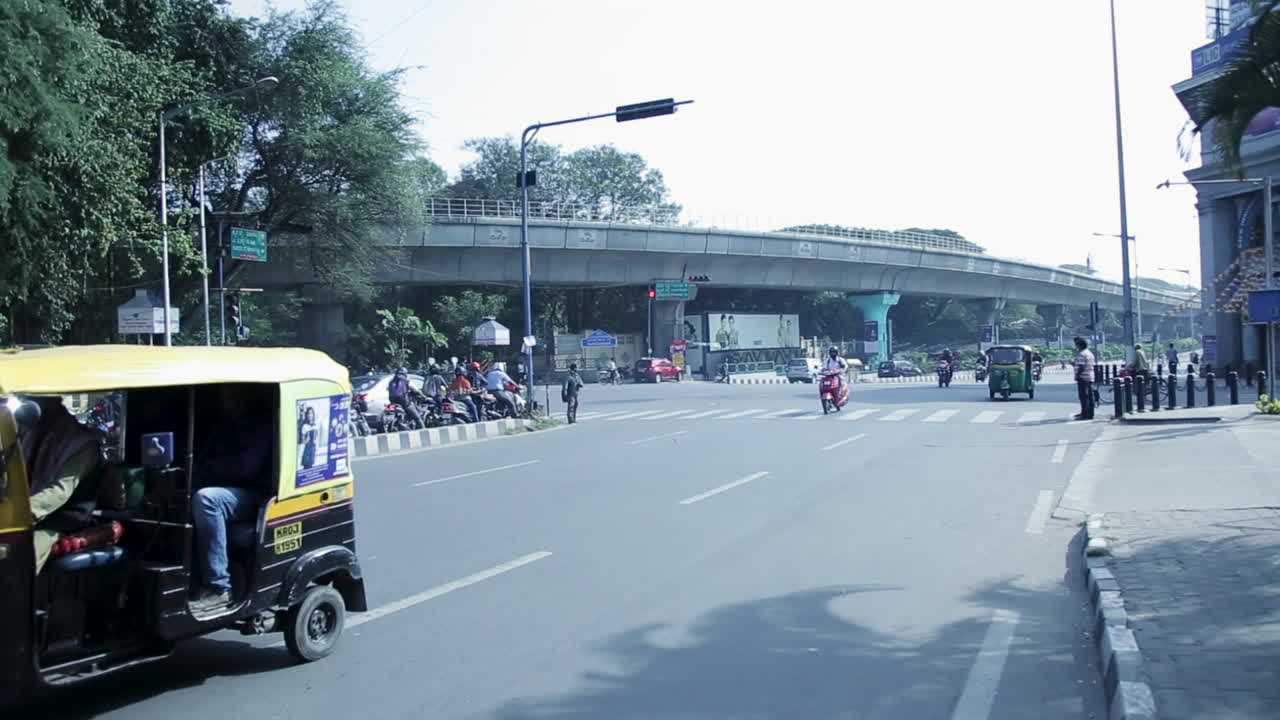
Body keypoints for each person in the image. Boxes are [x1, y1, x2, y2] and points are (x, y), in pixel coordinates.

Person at [190, 385, 272, 613]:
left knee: (207, 499)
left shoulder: (259, 424)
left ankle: (219, 588)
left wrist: (201, 473)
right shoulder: (223, 424)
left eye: (232, 394)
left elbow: (246, 468)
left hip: (254, 494)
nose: (227, 400)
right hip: (229, 488)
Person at [20, 396, 103, 574]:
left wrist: (19, 514)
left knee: (19, 556)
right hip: (24, 517)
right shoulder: (28, 433)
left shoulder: (82, 443)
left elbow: (58, 492)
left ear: (53, 401)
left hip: (57, 523)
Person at [1073, 337, 1096, 420]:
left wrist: (1077, 375)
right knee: (1089, 396)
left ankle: (1085, 413)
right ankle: (1089, 413)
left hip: (1083, 377)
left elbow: (1081, 366)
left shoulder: (1082, 354)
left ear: (1079, 345)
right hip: (1089, 376)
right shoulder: (1089, 353)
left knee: (1084, 396)